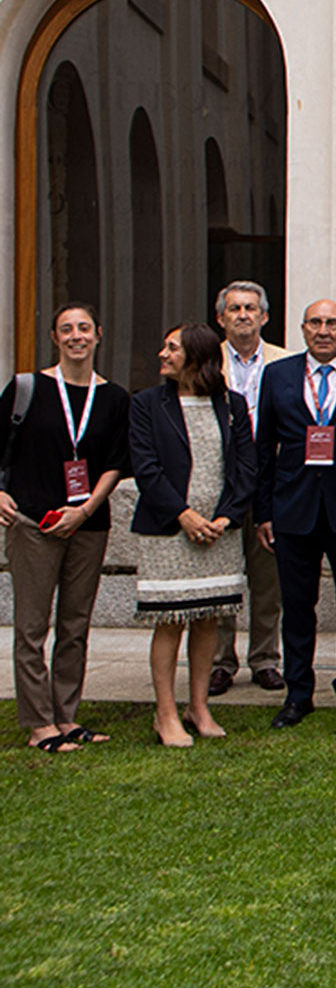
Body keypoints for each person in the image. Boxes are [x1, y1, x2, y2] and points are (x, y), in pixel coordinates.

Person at [1, 303, 131, 752]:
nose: (76, 336)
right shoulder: (26, 387)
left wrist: (87, 509)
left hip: (88, 525)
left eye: (84, 328)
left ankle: (67, 716)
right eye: (66, 329)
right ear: (55, 339)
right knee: (32, 627)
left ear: (98, 335)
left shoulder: (114, 398)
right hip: (33, 522)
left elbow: (117, 462)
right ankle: (39, 724)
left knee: (75, 625)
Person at [254, 300, 336, 729]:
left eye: (332, 323)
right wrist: (263, 512)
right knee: (297, 606)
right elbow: (263, 449)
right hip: (293, 510)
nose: (323, 330)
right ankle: (298, 693)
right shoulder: (278, 375)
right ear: (303, 328)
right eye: (315, 323)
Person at [128, 324, 254, 747]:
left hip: (218, 534)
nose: (162, 354)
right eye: (164, 346)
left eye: (172, 348)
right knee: (169, 622)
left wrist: (225, 518)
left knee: (207, 621)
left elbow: (245, 469)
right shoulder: (146, 404)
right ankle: (165, 714)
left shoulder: (231, 405)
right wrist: (183, 515)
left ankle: (198, 707)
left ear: (197, 357)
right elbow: (145, 468)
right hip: (169, 531)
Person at [211, 280, 286, 695]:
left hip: (268, 479)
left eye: (250, 308)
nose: (243, 315)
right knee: (222, 578)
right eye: (235, 308)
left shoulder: (284, 361)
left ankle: (265, 659)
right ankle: (220, 662)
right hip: (220, 483)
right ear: (221, 318)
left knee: (267, 579)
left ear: (264, 317)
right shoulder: (204, 363)